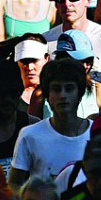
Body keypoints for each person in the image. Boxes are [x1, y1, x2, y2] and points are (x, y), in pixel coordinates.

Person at [8, 58, 91, 189]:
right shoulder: (30, 135)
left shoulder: (97, 133)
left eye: (69, 89)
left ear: (79, 93)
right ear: (47, 94)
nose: (63, 95)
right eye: (56, 89)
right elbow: (14, 183)